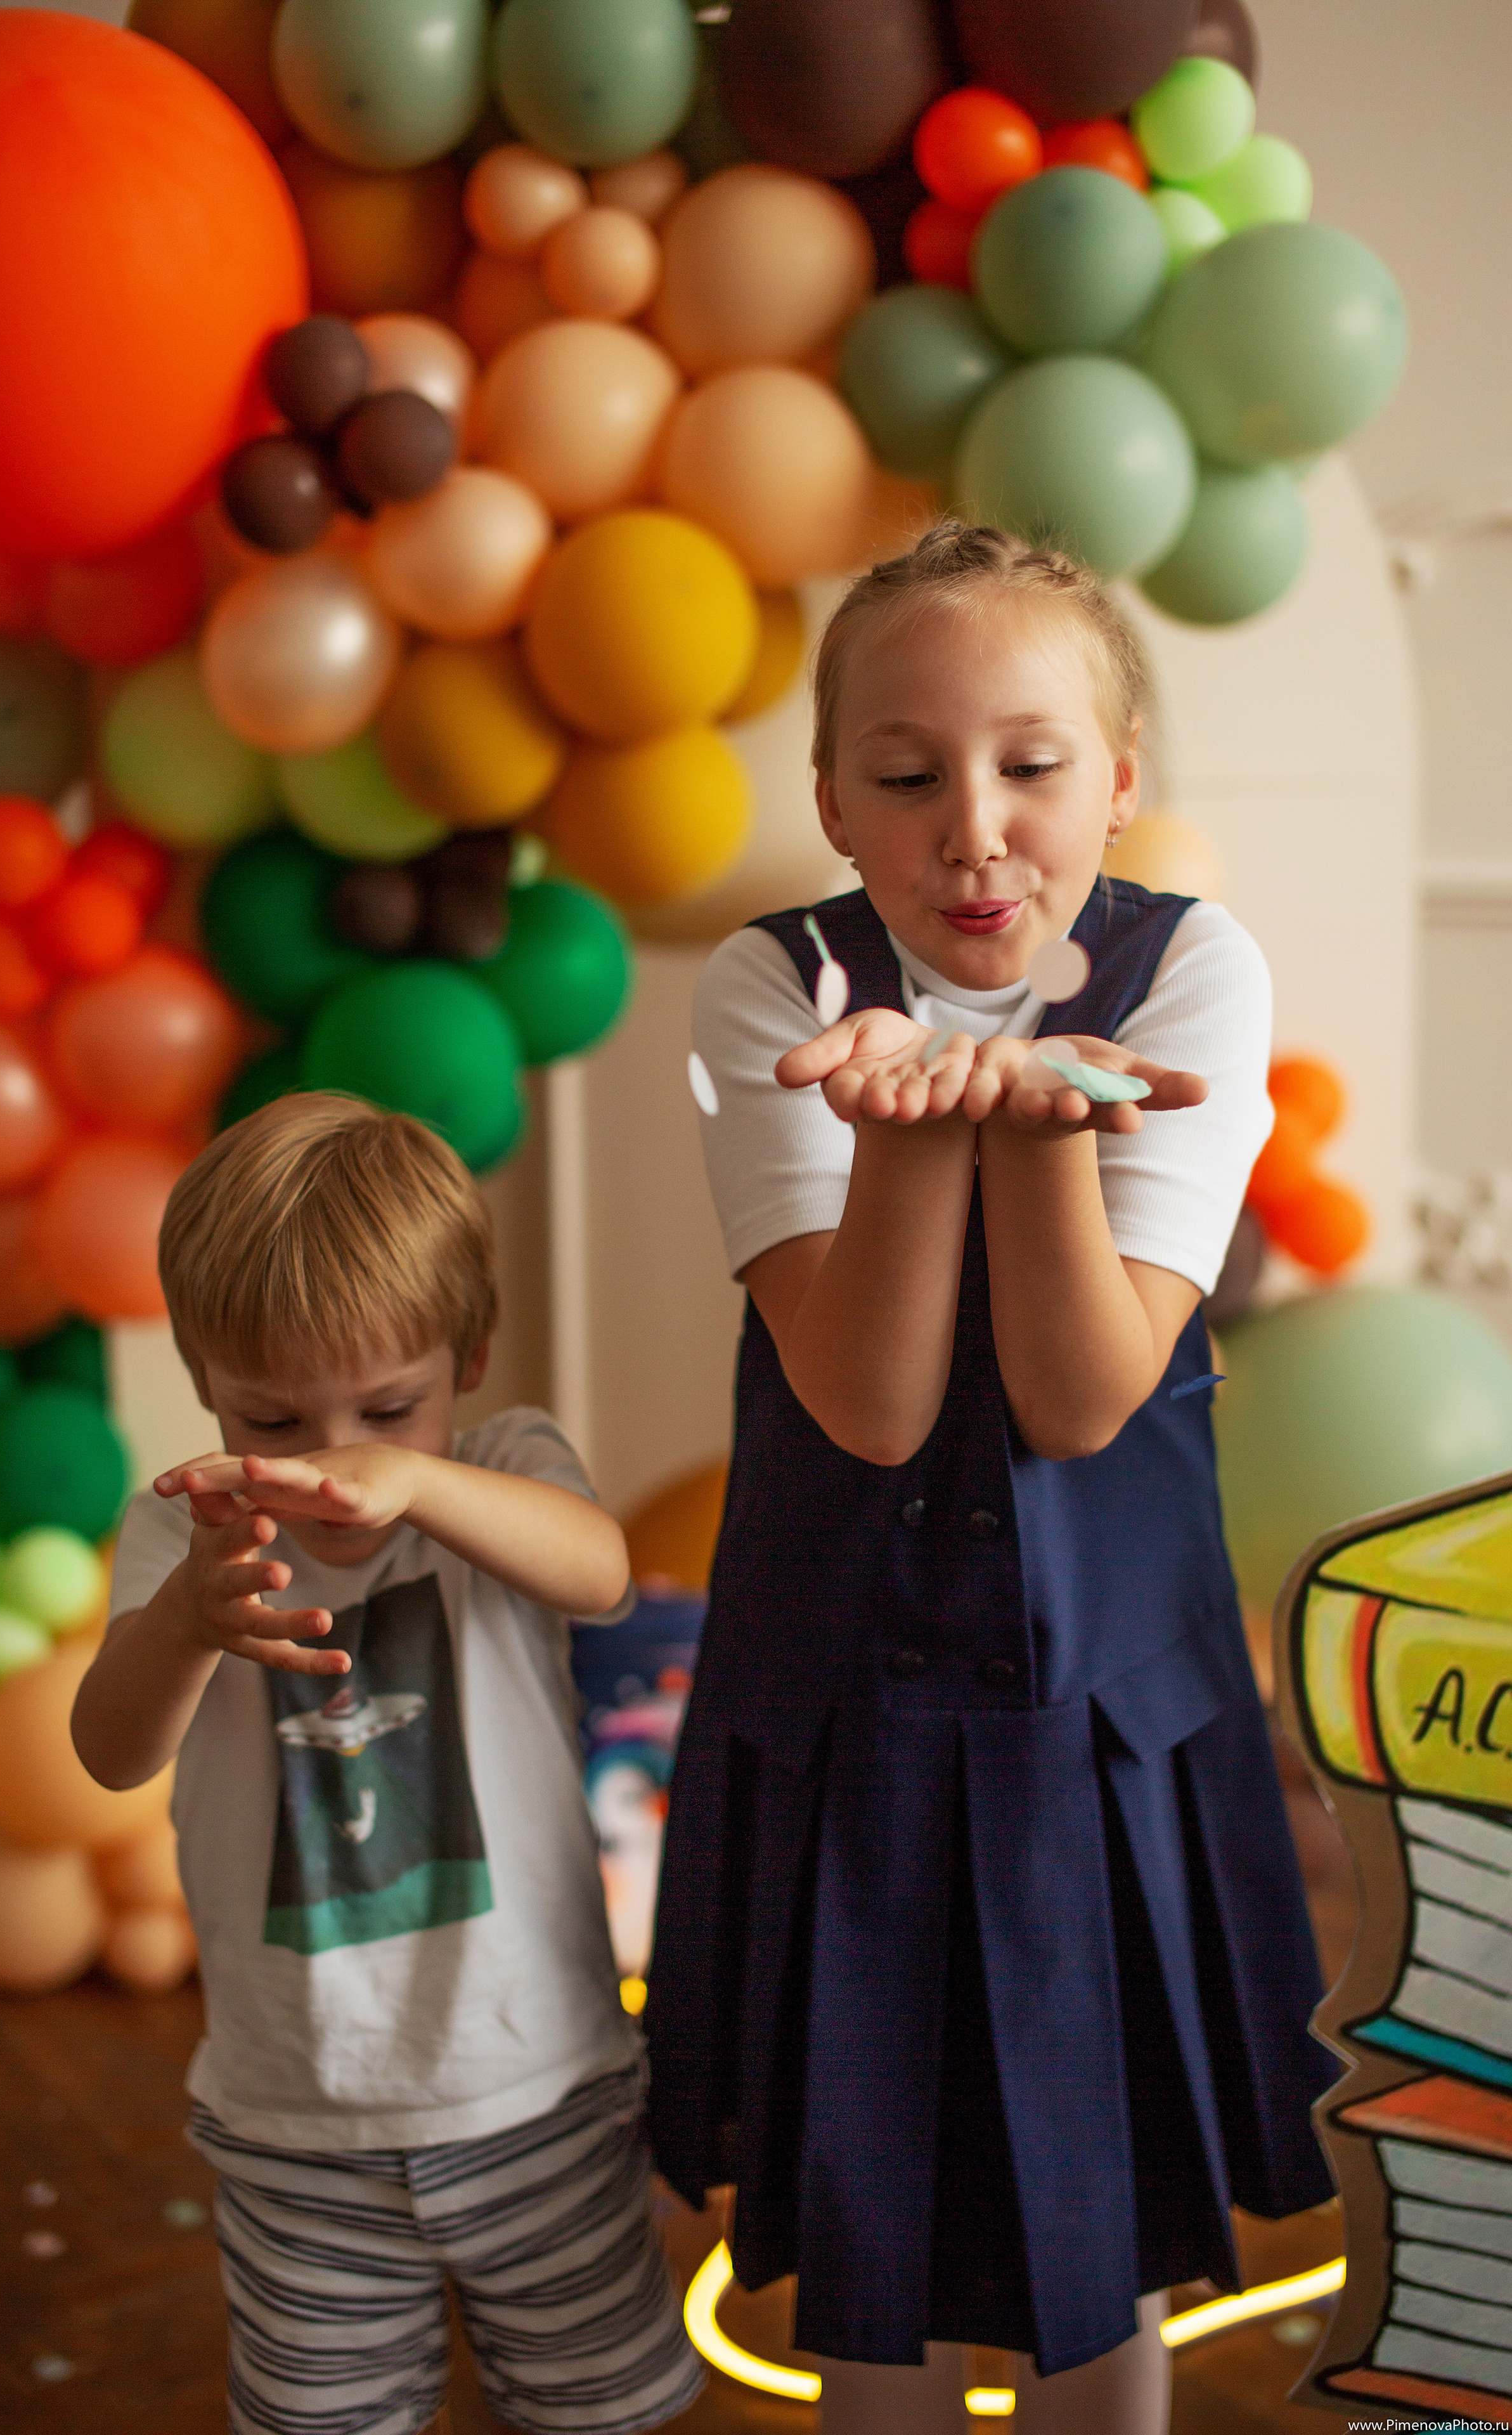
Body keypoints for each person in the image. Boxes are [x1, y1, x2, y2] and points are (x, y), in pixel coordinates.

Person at [645, 523, 1336, 2435]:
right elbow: (866, 1405)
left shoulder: (1197, 973)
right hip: (844, 1711)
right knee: (863, 2264)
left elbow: (1081, 1396)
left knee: (1099, 2250)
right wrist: (912, 1134)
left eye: (1031, 765)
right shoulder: (770, 990)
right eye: (905, 773)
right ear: (829, 801)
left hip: (1098, 1725)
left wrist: (1032, 1128)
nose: (974, 830)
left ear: (1116, 781)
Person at [73, 1093, 703, 2435]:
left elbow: (598, 1576)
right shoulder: (186, 1533)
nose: (332, 1465)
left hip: (543, 2093)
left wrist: (420, 1483)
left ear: (469, 1355)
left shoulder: (505, 1468)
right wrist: (186, 1622)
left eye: (387, 1408)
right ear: (204, 1382)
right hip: (296, 2130)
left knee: (600, 2411)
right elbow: (111, 1754)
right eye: (274, 1421)